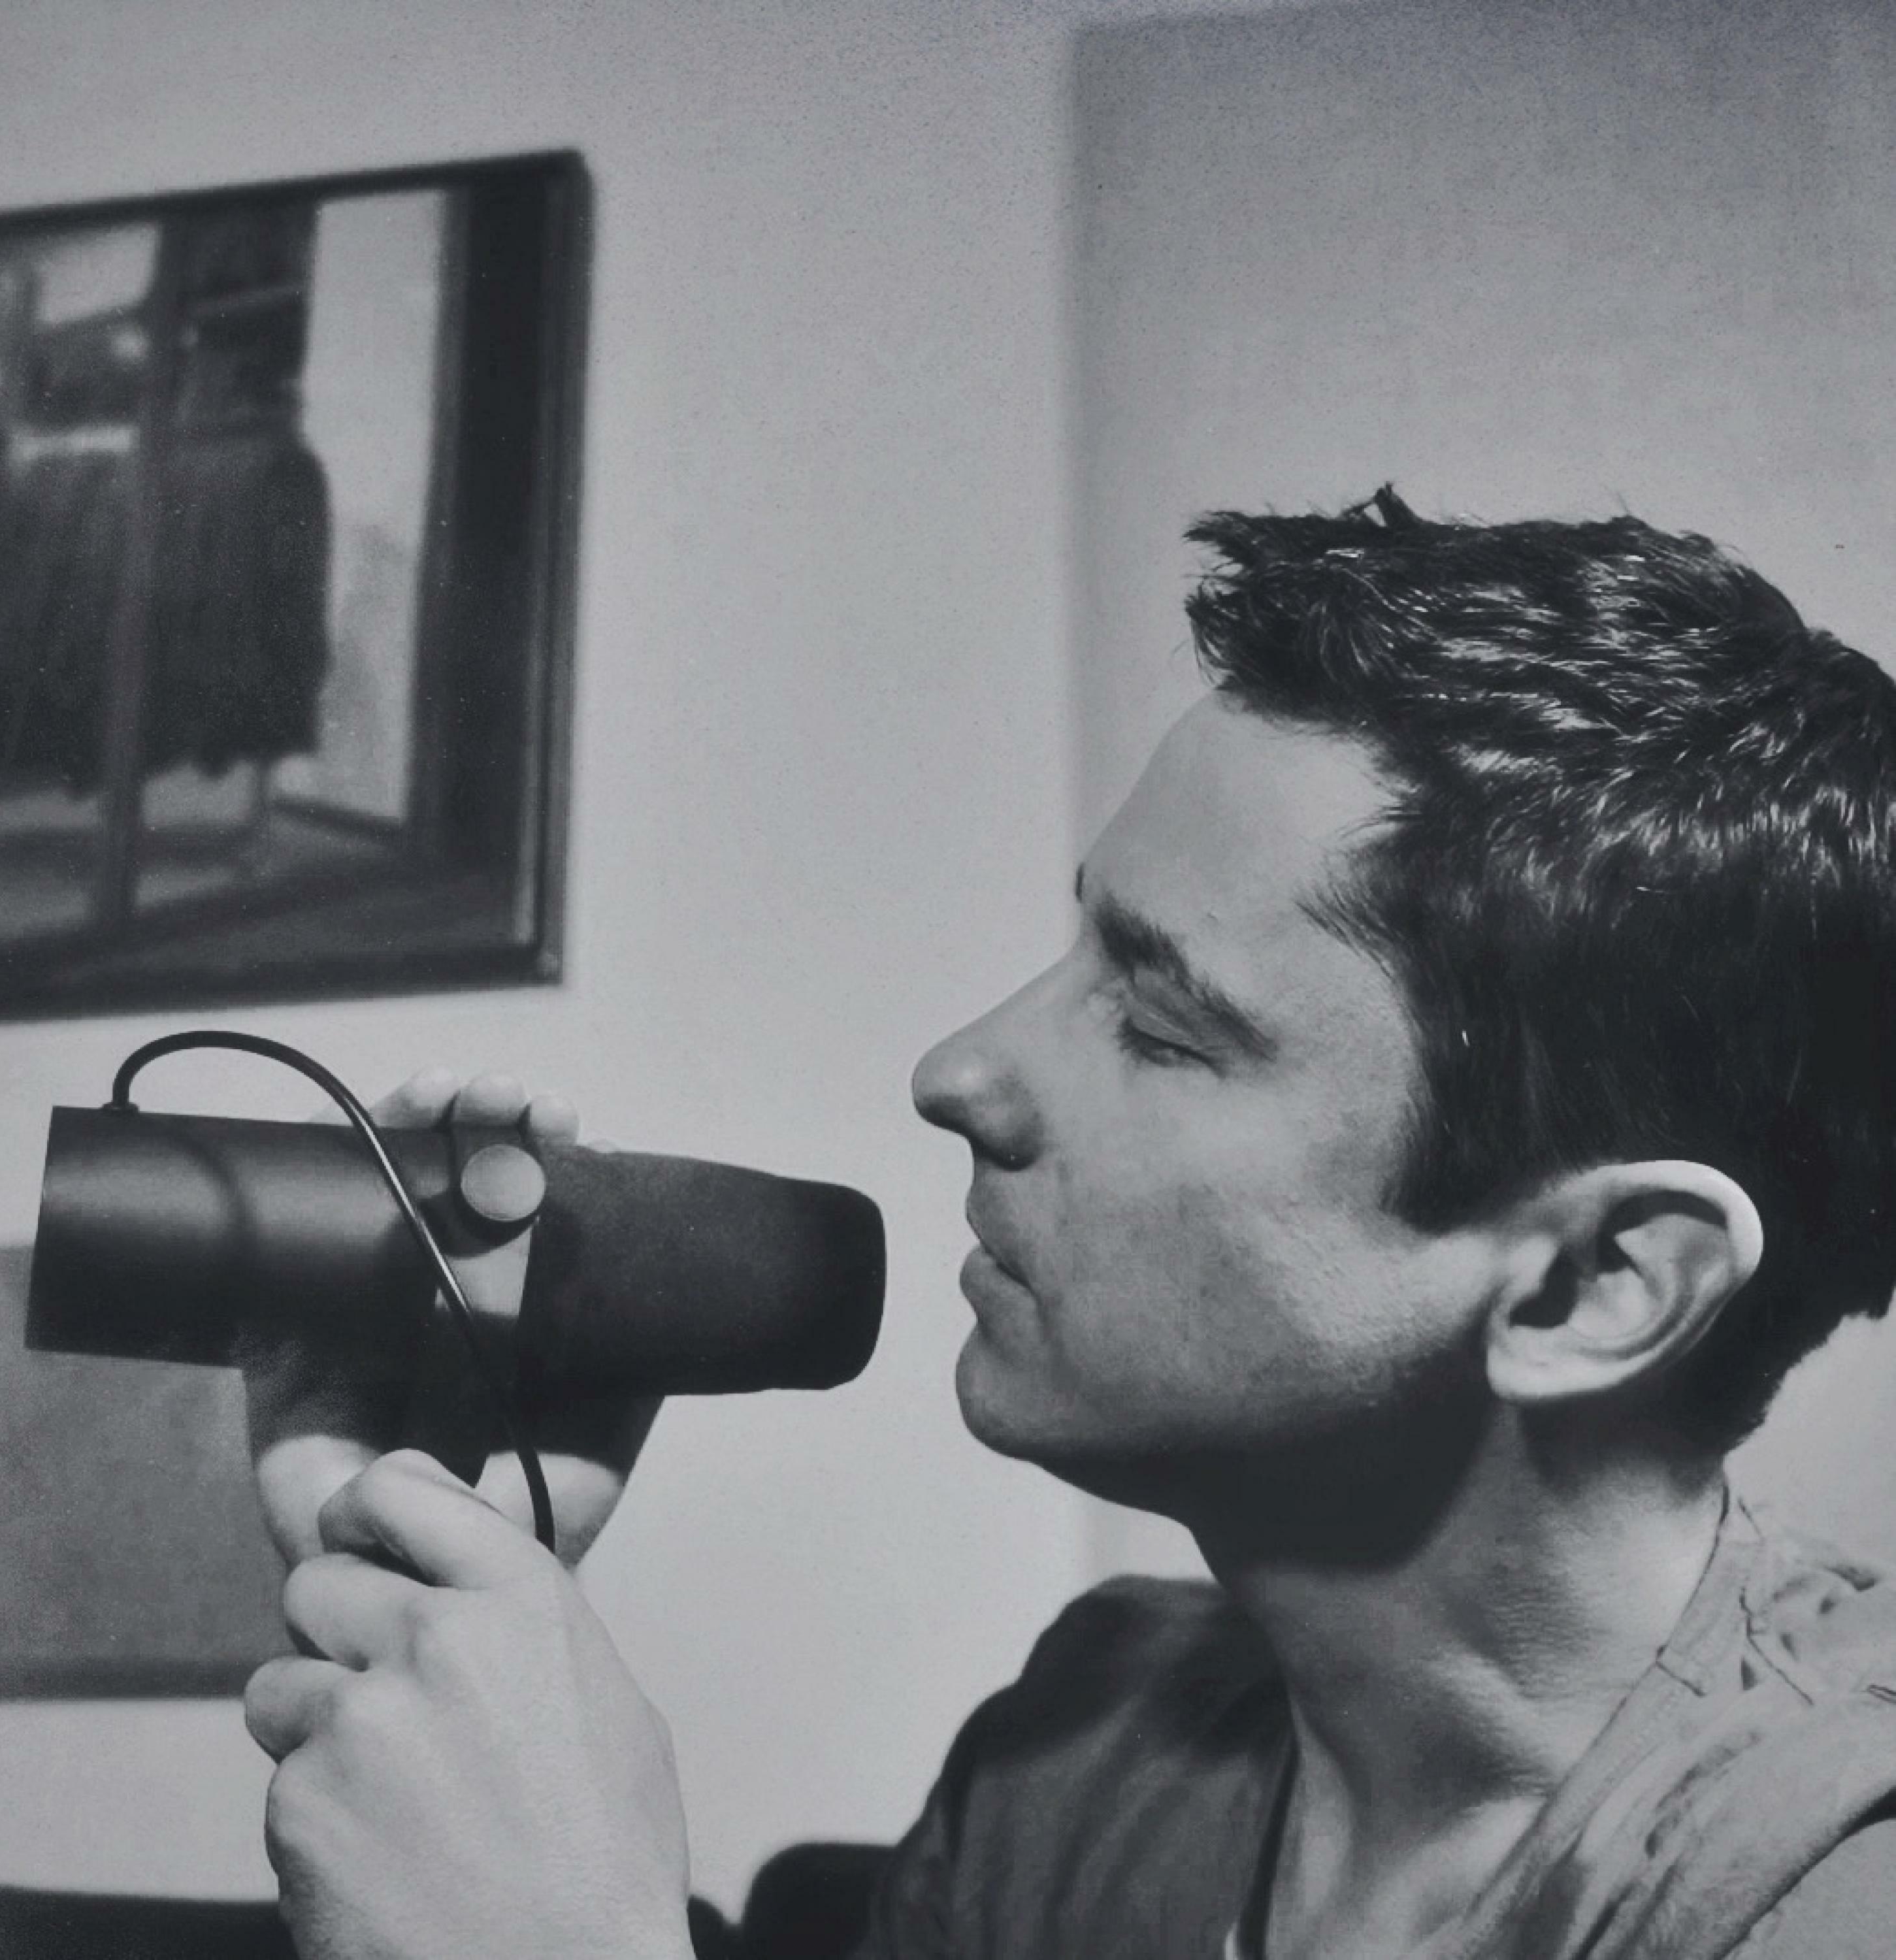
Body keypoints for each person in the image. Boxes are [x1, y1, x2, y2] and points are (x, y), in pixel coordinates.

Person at [238, 490, 1896, 1960]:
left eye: (1164, 1028)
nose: (958, 1073)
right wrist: (428, 1573)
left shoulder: (1839, 1889)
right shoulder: (1089, 1749)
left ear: (1596, 1285)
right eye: (1078, 950)